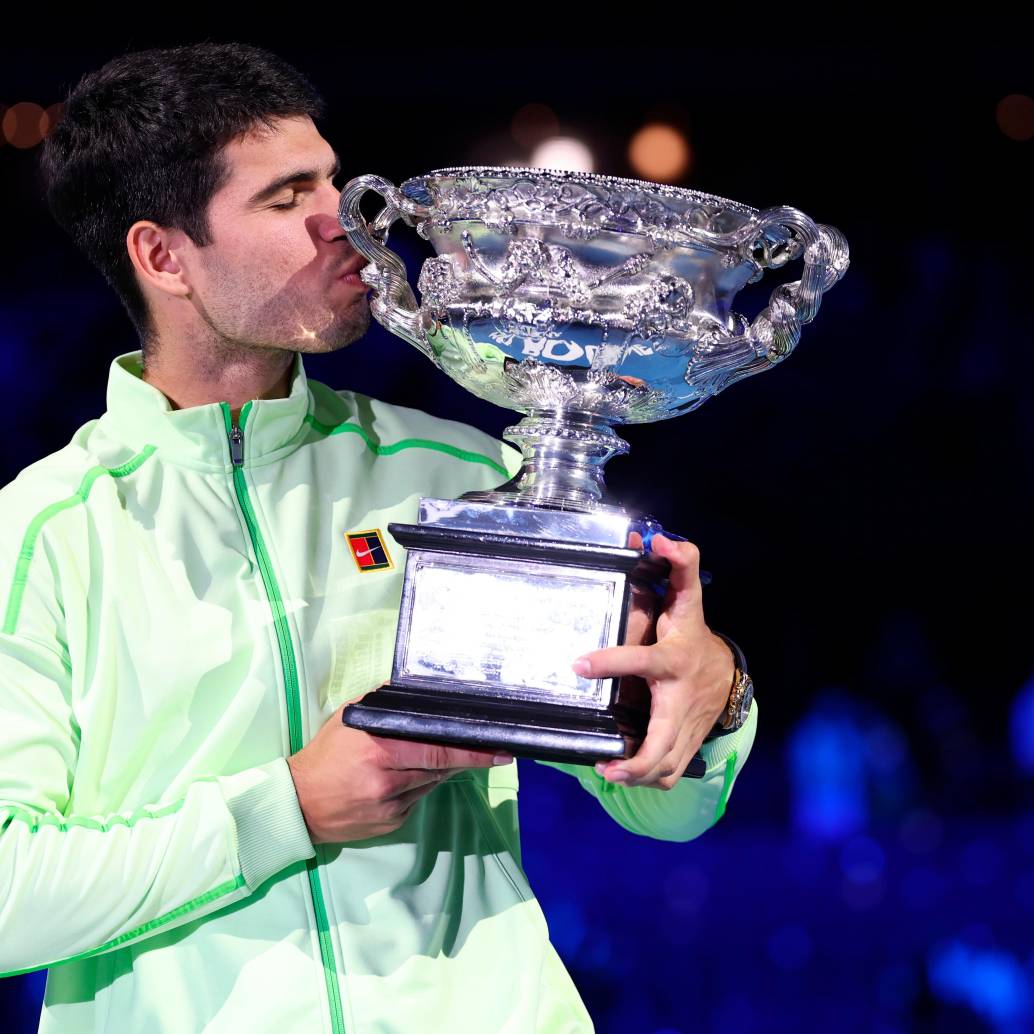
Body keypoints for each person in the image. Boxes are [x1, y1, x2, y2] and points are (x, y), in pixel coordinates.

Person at [0, 41, 759, 1033]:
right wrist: (285, 809)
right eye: (286, 199)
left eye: (332, 178)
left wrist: (712, 697)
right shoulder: (43, 532)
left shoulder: (458, 473)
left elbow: (662, 809)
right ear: (163, 257)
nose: (346, 220)